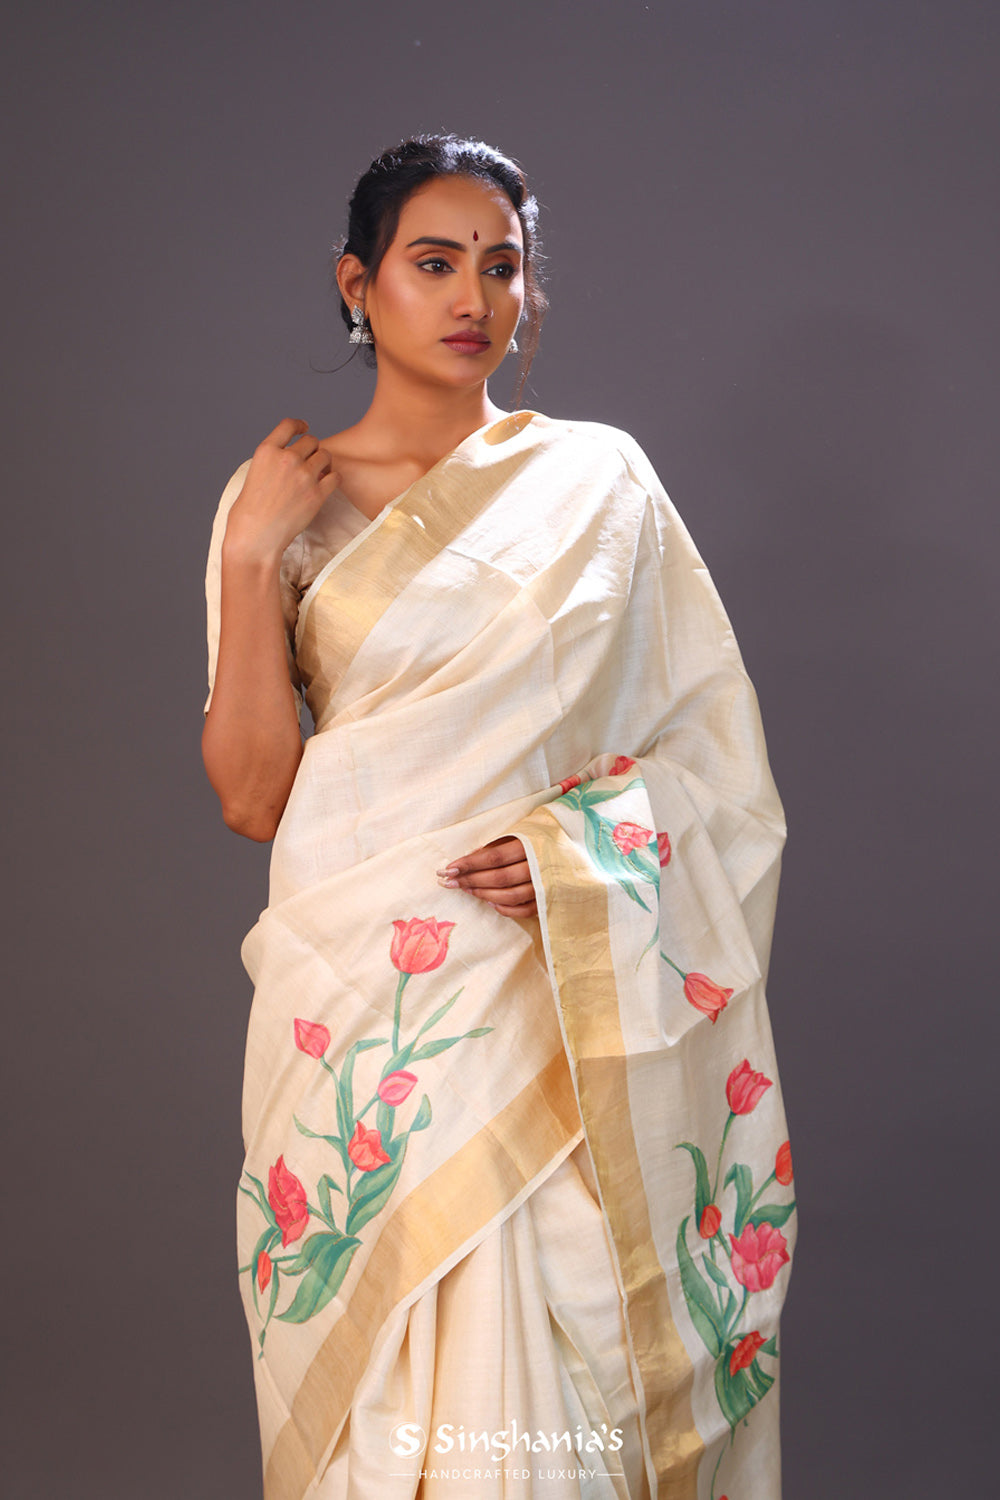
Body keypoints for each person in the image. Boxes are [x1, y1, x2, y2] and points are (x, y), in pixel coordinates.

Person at [202, 135, 795, 1500]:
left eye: (503, 266)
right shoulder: (277, 502)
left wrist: (586, 856)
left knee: (565, 1360)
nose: (474, 297)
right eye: (433, 262)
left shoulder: (601, 484)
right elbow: (249, 794)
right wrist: (249, 555)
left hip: (556, 991)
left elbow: (712, 758)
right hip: (368, 1002)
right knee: (386, 1388)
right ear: (357, 285)